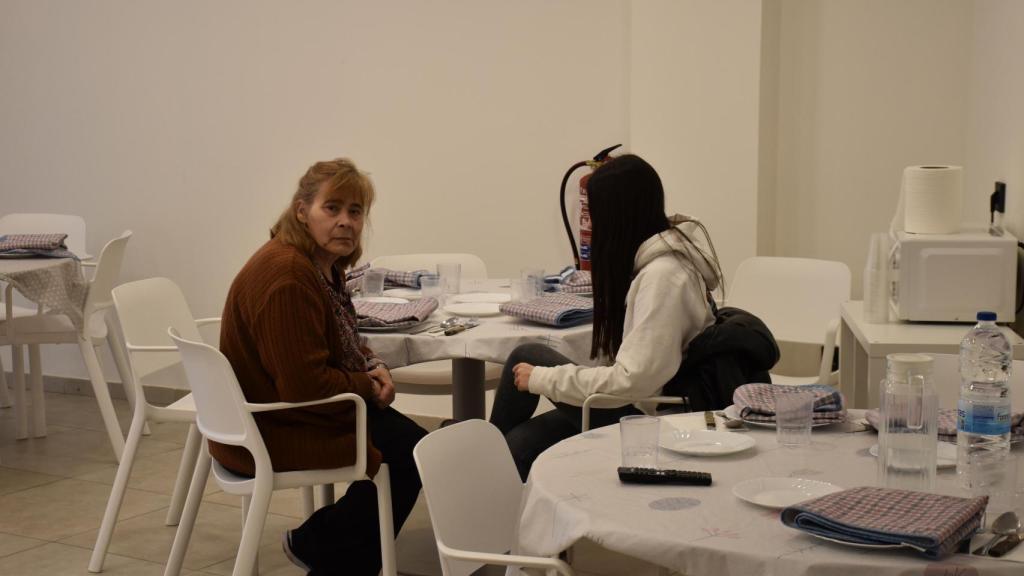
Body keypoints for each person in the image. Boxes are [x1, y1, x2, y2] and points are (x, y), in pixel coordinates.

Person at [217, 157, 426, 575]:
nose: (346, 221)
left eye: (355, 211)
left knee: (414, 444)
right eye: (332, 208)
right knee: (415, 452)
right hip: (277, 425)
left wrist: (372, 363)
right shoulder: (289, 276)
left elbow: (339, 339)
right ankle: (324, 548)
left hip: (287, 409)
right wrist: (367, 386)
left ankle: (322, 544)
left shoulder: (314, 264)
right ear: (302, 211)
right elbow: (304, 386)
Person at [489, 154, 724, 480]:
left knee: (526, 359)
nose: (592, 228)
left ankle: (480, 467)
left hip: (653, 421)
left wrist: (544, 379)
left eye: (595, 216)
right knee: (517, 443)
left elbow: (632, 381)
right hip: (645, 404)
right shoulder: (659, 263)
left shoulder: (663, 278)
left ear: (617, 218)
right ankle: (487, 473)